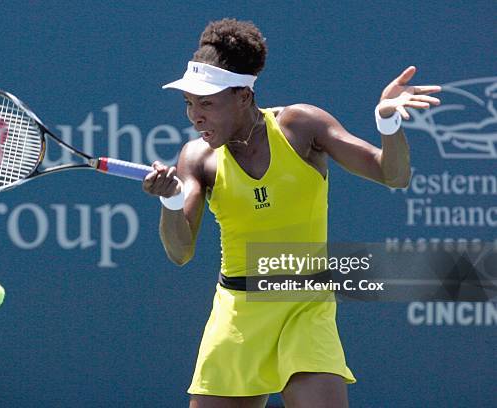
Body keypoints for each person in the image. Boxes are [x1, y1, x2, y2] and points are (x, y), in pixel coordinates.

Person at [142, 18, 440, 408]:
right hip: (237, 315)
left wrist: (387, 121)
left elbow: (393, 174)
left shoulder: (300, 127)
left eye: (207, 103)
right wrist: (170, 202)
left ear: (243, 97)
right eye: (189, 104)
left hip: (304, 307)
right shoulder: (197, 157)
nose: (195, 116)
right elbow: (180, 251)